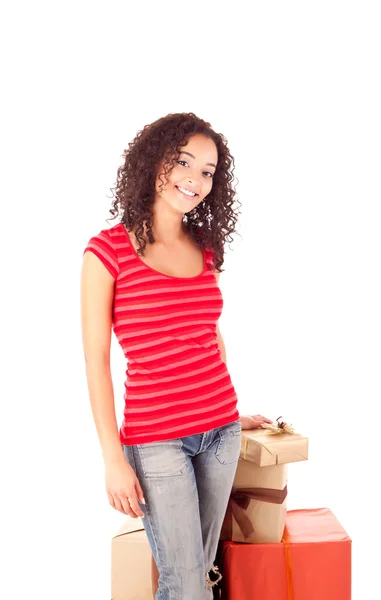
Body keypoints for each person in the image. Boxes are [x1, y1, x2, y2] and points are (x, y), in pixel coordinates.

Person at [80, 112, 273, 600]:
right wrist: (112, 458)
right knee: (186, 580)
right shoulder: (106, 252)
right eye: (183, 162)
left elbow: (207, 334)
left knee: (199, 573)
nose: (195, 180)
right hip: (156, 442)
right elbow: (95, 362)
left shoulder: (206, 247)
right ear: (154, 161)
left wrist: (233, 409)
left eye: (207, 171)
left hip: (221, 431)